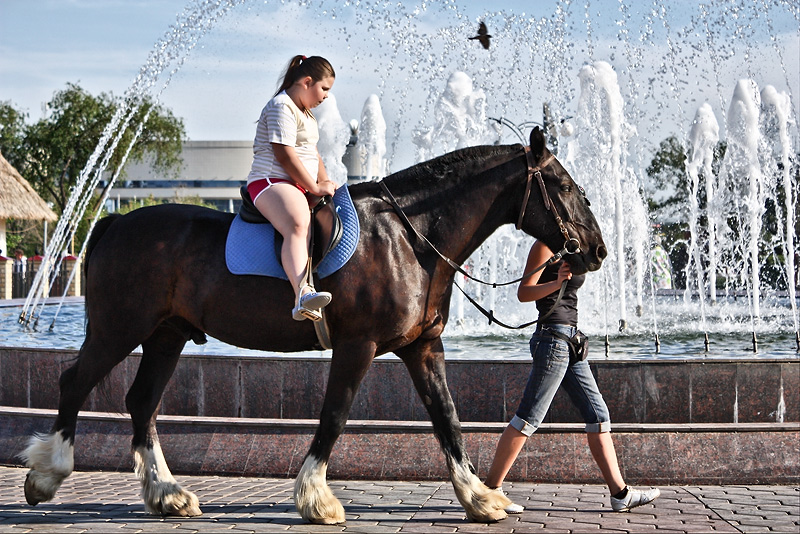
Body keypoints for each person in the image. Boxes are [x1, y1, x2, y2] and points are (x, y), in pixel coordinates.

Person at [485, 240, 660, 514]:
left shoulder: (569, 248)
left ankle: (620, 494)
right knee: (529, 416)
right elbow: (523, 292)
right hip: (552, 339)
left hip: (570, 341)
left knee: (598, 416)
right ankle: (490, 492)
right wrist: (557, 282)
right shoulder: (543, 247)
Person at [246, 55, 337, 321]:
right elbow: (285, 155)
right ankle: (302, 294)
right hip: (270, 182)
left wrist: (327, 182)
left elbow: (312, 153)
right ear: (307, 82)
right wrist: (314, 188)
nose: (327, 97)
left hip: (295, 185)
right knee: (298, 221)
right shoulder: (281, 106)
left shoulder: (306, 114)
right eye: (324, 88)